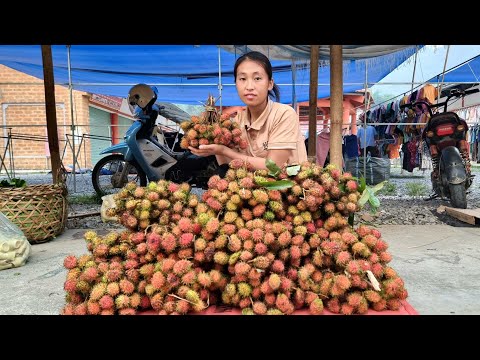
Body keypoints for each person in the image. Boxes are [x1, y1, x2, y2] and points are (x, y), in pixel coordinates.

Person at [189, 51, 307, 170]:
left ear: (270, 84)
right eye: (242, 78)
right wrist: (216, 143)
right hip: (251, 187)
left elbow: (274, 166)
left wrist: (224, 151)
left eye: (257, 78)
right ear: (236, 83)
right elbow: (228, 165)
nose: (249, 86)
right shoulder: (237, 121)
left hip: (289, 185)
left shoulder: (284, 114)